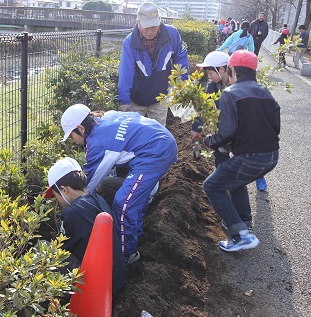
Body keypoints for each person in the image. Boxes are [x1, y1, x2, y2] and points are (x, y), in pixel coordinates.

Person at [60, 104, 178, 264]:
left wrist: (69, 204)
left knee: (123, 204)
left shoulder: (97, 142)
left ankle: (125, 255)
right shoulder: (106, 117)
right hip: (158, 140)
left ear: (80, 128)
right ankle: (138, 220)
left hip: (155, 151)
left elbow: (88, 185)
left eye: (71, 136)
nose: (73, 142)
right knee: (125, 186)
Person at [202, 50, 280, 252]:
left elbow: (227, 131)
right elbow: (275, 125)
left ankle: (241, 235)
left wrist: (209, 141)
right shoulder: (265, 92)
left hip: (250, 158)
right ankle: (243, 223)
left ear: (232, 70)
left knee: (212, 186)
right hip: (272, 156)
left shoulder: (231, 92)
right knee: (235, 182)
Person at [44, 157, 127, 297]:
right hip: (118, 279)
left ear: (63, 190)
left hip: (99, 288)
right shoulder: (98, 199)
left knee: (45, 249)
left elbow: (61, 250)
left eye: (55, 195)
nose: (56, 201)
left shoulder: (71, 213)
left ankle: (64, 302)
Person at [118, 2, 189, 126]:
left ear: (159, 22)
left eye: (154, 27)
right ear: (138, 23)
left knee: (158, 133)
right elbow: (126, 72)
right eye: (146, 27)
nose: (150, 31)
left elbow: (181, 57)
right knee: (133, 133)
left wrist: (181, 81)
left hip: (160, 96)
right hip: (136, 98)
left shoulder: (171, 34)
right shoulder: (130, 42)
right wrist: (125, 100)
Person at [191, 51, 231, 166]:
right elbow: (205, 107)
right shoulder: (213, 86)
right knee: (220, 153)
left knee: (243, 157)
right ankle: (222, 177)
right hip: (222, 126)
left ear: (222, 69)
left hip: (238, 128)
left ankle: (257, 175)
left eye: (210, 73)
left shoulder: (237, 85)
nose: (209, 77)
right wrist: (196, 128)